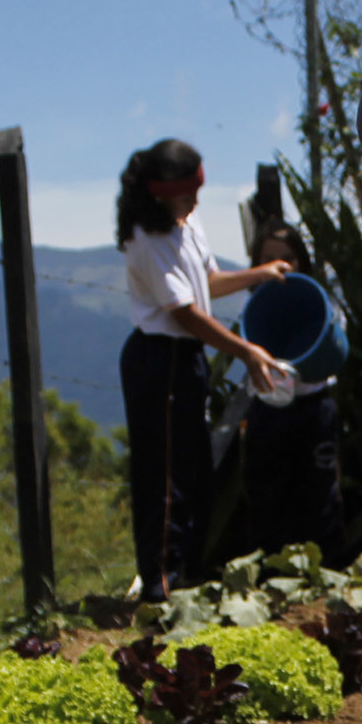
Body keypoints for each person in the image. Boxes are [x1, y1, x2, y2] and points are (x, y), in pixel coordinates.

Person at [116, 139, 287, 601]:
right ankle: (162, 582)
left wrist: (258, 273)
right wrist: (246, 351)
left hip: (185, 358)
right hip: (160, 359)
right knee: (165, 472)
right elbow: (184, 312)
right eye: (188, 191)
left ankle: (187, 570)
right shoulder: (145, 239)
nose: (195, 200)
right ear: (161, 191)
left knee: (192, 467)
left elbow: (207, 283)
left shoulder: (185, 224)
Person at [238, 220, 346, 566]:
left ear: (302, 262)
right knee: (267, 494)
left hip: (313, 408)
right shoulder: (254, 309)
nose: (279, 266)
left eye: (287, 257)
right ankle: (273, 571)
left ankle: (324, 569)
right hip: (268, 409)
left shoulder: (321, 303)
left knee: (319, 493)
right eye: (268, 258)